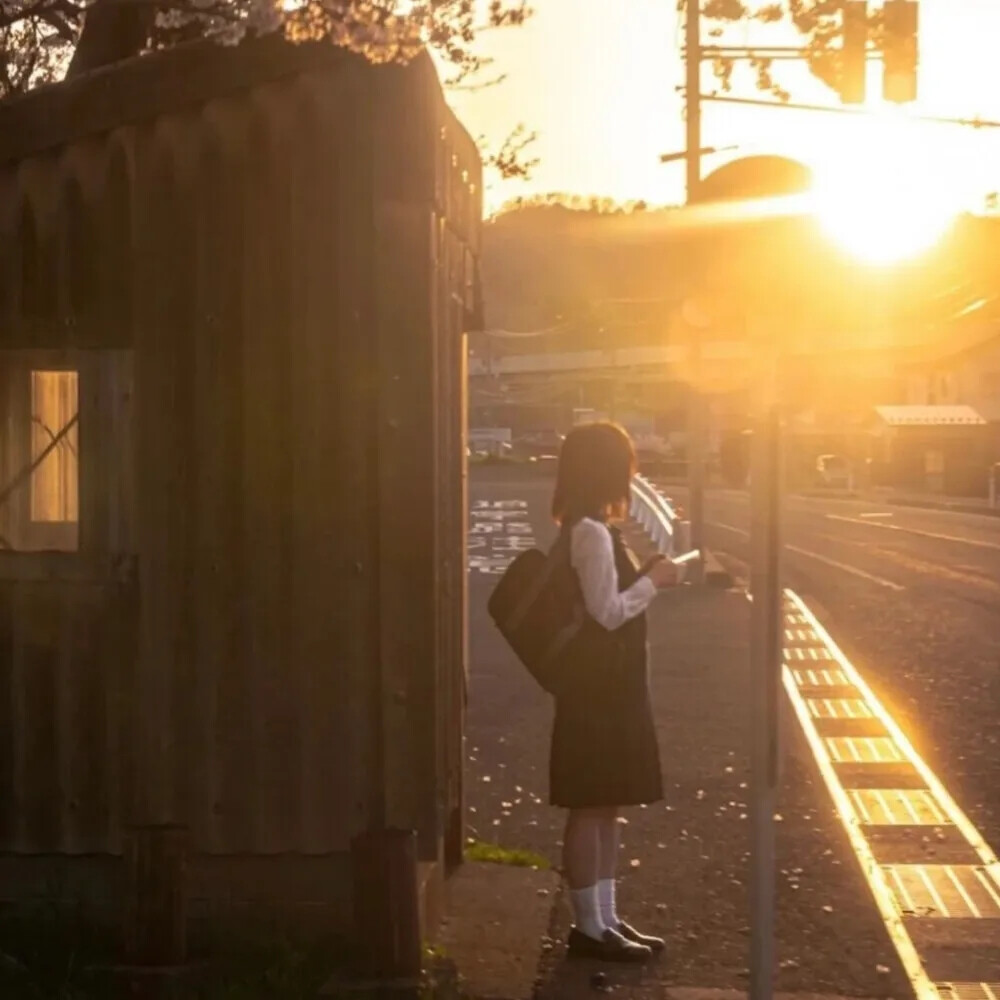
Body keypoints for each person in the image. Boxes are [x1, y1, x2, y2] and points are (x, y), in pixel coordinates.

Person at [549, 422, 678, 963]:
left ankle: (605, 920)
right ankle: (588, 928)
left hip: (605, 686)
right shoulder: (591, 533)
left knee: (605, 804)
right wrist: (654, 583)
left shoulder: (589, 527)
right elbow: (606, 613)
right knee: (591, 804)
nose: (634, 470)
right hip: (598, 690)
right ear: (605, 467)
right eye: (627, 461)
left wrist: (643, 577)